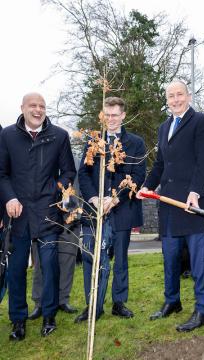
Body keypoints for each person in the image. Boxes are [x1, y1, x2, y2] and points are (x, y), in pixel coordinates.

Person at [137, 80, 204, 332]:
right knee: (170, 258)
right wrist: (147, 186)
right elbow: (161, 164)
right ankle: (172, 301)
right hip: (169, 205)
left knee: (198, 262)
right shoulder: (164, 128)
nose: (175, 99)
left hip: (191, 204)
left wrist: (195, 192)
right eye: (171, 96)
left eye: (179, 95)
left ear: (189, 96)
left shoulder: (202, 122)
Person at [0, 93, 76, 340]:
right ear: (22, 108)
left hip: (48, 214)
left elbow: (68, 172)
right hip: (18, 214)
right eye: (33, 105)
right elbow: (1, 173)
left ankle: (49, 317)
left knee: (50, 267)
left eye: (42, 106)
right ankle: (18, 321)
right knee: (17, 270)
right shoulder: (7, 135)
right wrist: (9, 198)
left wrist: (55, 189)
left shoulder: (59, 136)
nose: (38, 110)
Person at [76, 96, 146, 322]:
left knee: (121, 260)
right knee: (92, 259)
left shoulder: (135, 143)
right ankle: (93, 306)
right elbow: (83, 174)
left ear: (123, 115)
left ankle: (119, 302)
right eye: (107, 115)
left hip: (122, 209)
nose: (111, 119)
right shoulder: (93, 141)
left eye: (115, 115)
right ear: (102, 116)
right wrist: (95, 198)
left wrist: (115, 199)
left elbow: (138, 175)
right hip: (95, 211)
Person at [28, 157, 82, 320]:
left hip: (70, 220)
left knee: (67, 260)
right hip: (44, 219)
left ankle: (62, 300)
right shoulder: (41, 162)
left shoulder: (78, 163)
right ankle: (39, 302)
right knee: (41, 263)